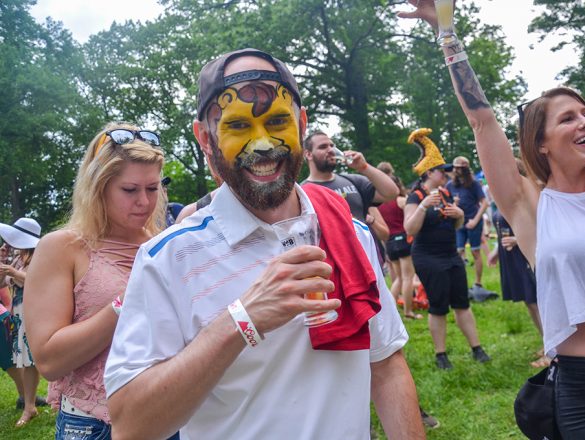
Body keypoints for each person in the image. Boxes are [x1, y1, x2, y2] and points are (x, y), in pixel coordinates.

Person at [103, 48, 424, 439]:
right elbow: (131, 426)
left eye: (277, 120)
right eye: (238, 126)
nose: (262, 145)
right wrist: (242, 320)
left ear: (301, 123)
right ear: (205, 137)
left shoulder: (349, 233)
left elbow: (387, 366)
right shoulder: (168, 258)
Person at [399, 2, 585, 437]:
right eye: (569, 118)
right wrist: (446, 30)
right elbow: (481, 120)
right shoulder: (529, 205)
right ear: (540, 143)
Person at [23, 123, 165, 439]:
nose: (144, 201)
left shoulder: (163, 243)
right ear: (98, 186)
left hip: (167, 417)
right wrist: (122, 305)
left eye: (153, 188)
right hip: (95, 425)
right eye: (130, 190)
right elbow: (48, 360)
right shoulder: (63, 247)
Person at [404, 128, 491, 370]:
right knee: (439, 306)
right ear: (429, 172)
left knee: (462, 303)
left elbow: (457, 223)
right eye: (442, 170)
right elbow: (409, 229)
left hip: (450, 255)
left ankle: (477, 348)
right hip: (428, 258)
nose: (447, 174)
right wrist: (422, 207)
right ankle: (441, 355)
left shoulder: (445, 193)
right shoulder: (415, 196)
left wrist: (460, 215)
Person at [487, 160, 546, 368]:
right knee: (529, 302)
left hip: (526, 254)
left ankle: (554, 349)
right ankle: (546, 342)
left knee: (538, 302)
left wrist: (517, 239)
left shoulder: (529, 194)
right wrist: (496, 251)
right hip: (511, 256)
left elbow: (543, 227)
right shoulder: (504, 195)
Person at [302, 130, 398, 222]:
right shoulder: (302, 192)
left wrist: (364, 167)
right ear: (308, 154)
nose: (331, 150)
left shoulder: (354, 181)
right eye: (323, 147)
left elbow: (392, 193)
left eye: (332, 146)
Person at [0, 218, 42, 427]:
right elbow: (2, 284)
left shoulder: (39, 257)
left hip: (35, 311)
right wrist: (3, 261)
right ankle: (30, 405)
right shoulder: (18, 258)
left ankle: (30, 406)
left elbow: (36, 280)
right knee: (25, 359)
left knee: (31, 359)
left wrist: (12, 271)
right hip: (20, 312)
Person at [446, 156, 492, 298]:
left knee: (475, 252)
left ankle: (478, 283)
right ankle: (461, 283)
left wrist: (475, 220)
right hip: (459, 223)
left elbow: (485, 203)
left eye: (461, 168)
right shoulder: (450, 185)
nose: (458, 170)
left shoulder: (474, 184)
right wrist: (454, 203)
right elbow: (447, 206)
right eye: (456, 167)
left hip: (473, 221)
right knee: (459, 252)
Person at [378, 171, 420, 320]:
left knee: (398, 279)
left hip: (389, 242)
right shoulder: (401, 200)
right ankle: (408, 312)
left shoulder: (380, 205)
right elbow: (412, 216)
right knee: (408, 277)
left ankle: (389, 310)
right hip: (403, 240)